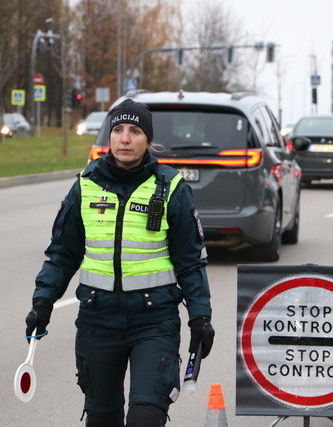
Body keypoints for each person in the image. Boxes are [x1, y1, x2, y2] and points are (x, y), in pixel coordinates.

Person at [25, 98, 215, 427]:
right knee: (101, 418)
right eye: (117, 130)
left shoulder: (170, 188)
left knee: (145, 417)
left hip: (154, 321)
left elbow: (190, 262)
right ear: (109, 137)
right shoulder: (85, 186)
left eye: (135, 131)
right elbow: (62, 253)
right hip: (98, 319)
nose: (125, 139)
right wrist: (43, 301)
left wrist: (200, 316)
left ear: (148, 140)